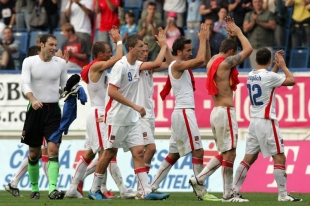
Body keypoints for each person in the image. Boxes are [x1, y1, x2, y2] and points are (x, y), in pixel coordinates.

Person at [88, 30, 169, 200]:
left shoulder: (136, 65)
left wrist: (163, 46)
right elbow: (111, 91)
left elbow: (155, 64)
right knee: (108, 153)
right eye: (140, 47)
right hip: (116, 117)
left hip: (131, 119)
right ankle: (94, 189)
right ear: (131, 48)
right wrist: (134, 105)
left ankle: (146, 191)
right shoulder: (121, 65)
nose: (143, 50)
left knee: (139, 152)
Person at [65, 27, 135, 199]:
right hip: (98, 114)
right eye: (107, 52)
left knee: (93, 153)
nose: (110, 54)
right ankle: (110, 189)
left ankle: (75, 188)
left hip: (100, 113)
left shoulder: (101, 69)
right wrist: (119, 40)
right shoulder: (96, 66)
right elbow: (119, 58)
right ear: (99, 54)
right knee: (106, 152)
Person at [151, 24, 219, 201]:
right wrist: (202, 39)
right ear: (179, 52)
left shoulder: (177, 64)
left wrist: (206, 41)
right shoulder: (178, 64)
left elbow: (205, 61)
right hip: (184, 113)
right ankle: (201, 191)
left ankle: (151, 187)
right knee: (198, 151)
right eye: (188, 50)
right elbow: (199, 60)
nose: (191, 52)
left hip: (182, 113)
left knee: (173, 155)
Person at [189, 17, 253, 202]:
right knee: (231, 153)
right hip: (225, 111)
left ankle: (201, 180)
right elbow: (249, 50)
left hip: (216, 112)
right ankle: (223, 192)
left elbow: (214, 55)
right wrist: (239, 32)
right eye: (234, 53)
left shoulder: (213, 61)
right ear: (231, 52)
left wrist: (227, 37)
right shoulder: (225, 63)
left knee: (226, 153)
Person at [231, 48, 302, 202]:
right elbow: (291, 80)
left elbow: (268, 77)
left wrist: (274, 67)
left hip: (254, 122)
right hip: (267, 121)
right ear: (269, 61)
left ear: (256, 60)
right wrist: (282, 66)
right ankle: (283, 195)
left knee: (248, 158)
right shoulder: (269, 76)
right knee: (280, 158)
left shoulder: (251, 75)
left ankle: (233, 191)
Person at [20, 34, 67, 199]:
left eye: (55, 45)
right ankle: (35, 189)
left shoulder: (60, 63)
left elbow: (63, 86)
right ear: (41, 44)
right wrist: (32, 99)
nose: (54, 48)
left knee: (54, 149)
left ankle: (53, 189)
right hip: (35, 110)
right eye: (51, 45)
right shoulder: (30, 62)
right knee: (34, 153)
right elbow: (25, 83)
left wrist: (70, 90)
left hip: (53, 111)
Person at [5, 45, 46, 197]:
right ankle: (50, 188)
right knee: (39, 152)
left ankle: (14, 183)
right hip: (36, 112)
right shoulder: (31, 73)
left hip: (49, 112)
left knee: (40, 152)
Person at [135, 41, 173, 195]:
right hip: (139, 115)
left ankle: (142, 189)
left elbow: (170, 64)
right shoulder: (137, 65)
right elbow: (158, 63)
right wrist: (163, 45)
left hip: (149, 114)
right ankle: (143, 188)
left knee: (144, 151)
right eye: (142, 51)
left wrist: (166, 47)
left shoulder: (148, 67)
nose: (145, 53)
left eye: (146, 50)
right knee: (151, 148)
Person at [243, 0, 276, 68]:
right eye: (255, 2)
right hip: (253, 46)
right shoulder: (248, 14)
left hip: (266, 46)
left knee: (267, 70)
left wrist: (258, 21)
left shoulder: (269, 13)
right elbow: (245, 28)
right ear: (252, 3)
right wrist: (253, 21)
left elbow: (272, 26)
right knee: (255, 70)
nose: (257, 3)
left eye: (259, 1)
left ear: (262, 2)